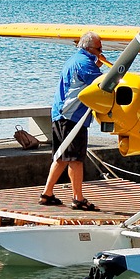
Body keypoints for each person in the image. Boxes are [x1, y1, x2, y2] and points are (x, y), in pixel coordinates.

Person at [40, 31, 103, 211]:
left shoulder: (76, 60)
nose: (101, 52)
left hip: (61, 114)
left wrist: (95, 64)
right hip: (71, 117)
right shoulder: (84, 63)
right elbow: (102, 84)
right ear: (89, 48)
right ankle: (78, 198)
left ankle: (47, 193)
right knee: (75, 159)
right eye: (99, 49)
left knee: (61, 157)